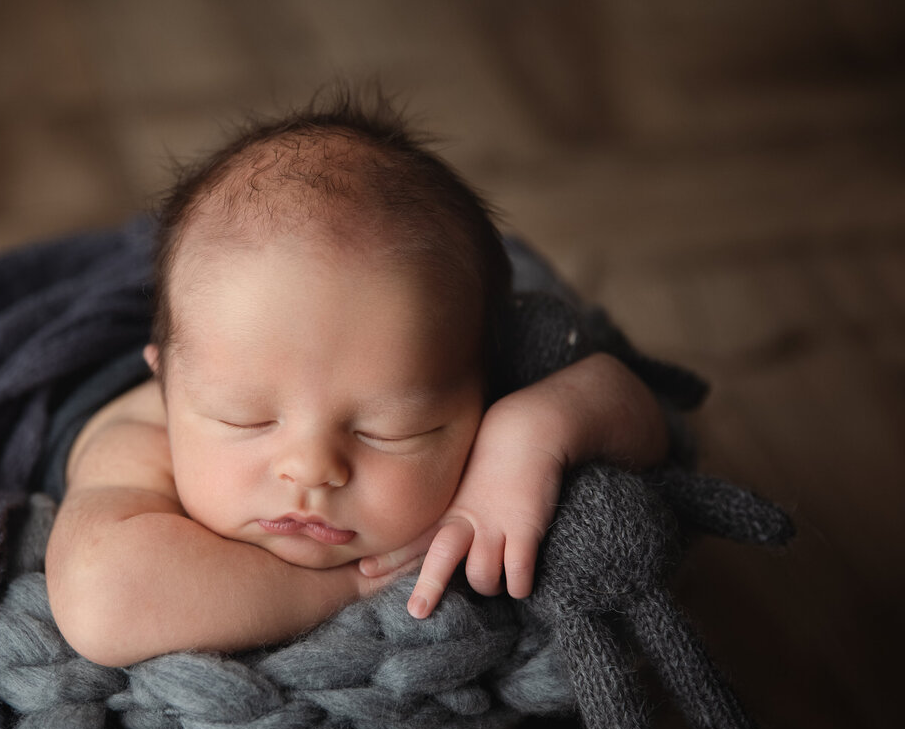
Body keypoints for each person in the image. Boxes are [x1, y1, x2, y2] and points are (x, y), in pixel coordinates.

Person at [45, 95, 669, 668]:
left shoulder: (441, 364)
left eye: (389, 428)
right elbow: (104, 604)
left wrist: (530, 431)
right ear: (166, 388)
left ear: (479, 391)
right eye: (247, 418)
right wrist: (353, 584)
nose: (312, 468)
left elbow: (638, 409)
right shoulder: (134, 442)